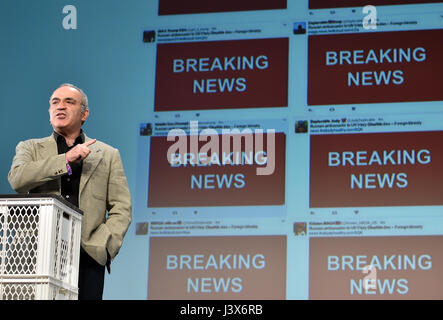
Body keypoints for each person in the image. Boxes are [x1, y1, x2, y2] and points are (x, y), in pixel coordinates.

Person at [8, 83, 132, 300]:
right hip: (35, 255)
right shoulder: (30, 148)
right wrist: (65, 159)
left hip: (86, 256)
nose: (60, 107)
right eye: (55, 102)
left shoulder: (108, 154)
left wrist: (102, 245)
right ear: (49, 113)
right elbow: (18, 180)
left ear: (84, 114)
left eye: (69, 102)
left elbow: (121, 207)